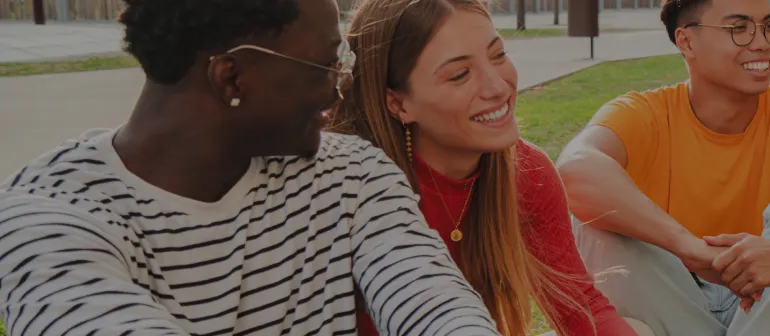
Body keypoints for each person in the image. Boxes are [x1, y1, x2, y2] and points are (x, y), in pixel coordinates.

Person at [0, 0, 500, 334]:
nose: (339, 86)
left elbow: (434, 303)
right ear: (232, 78)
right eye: (328, 64)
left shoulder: (352, 176)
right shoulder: (49, 223)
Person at [554, 0, 770, 334]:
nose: (763, 43)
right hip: (671, 293)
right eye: (739, 28)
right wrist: (688, 247)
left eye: (769, 27)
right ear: (686, 41)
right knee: (593, 220)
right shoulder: (642, 114)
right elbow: (574, 169)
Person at [329, 0, 643, 335]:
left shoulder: (525, 172)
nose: (498, 87)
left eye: (498, 55)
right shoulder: (347, 188)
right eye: (460, 74)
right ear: (398, 103)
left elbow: (577, 303)